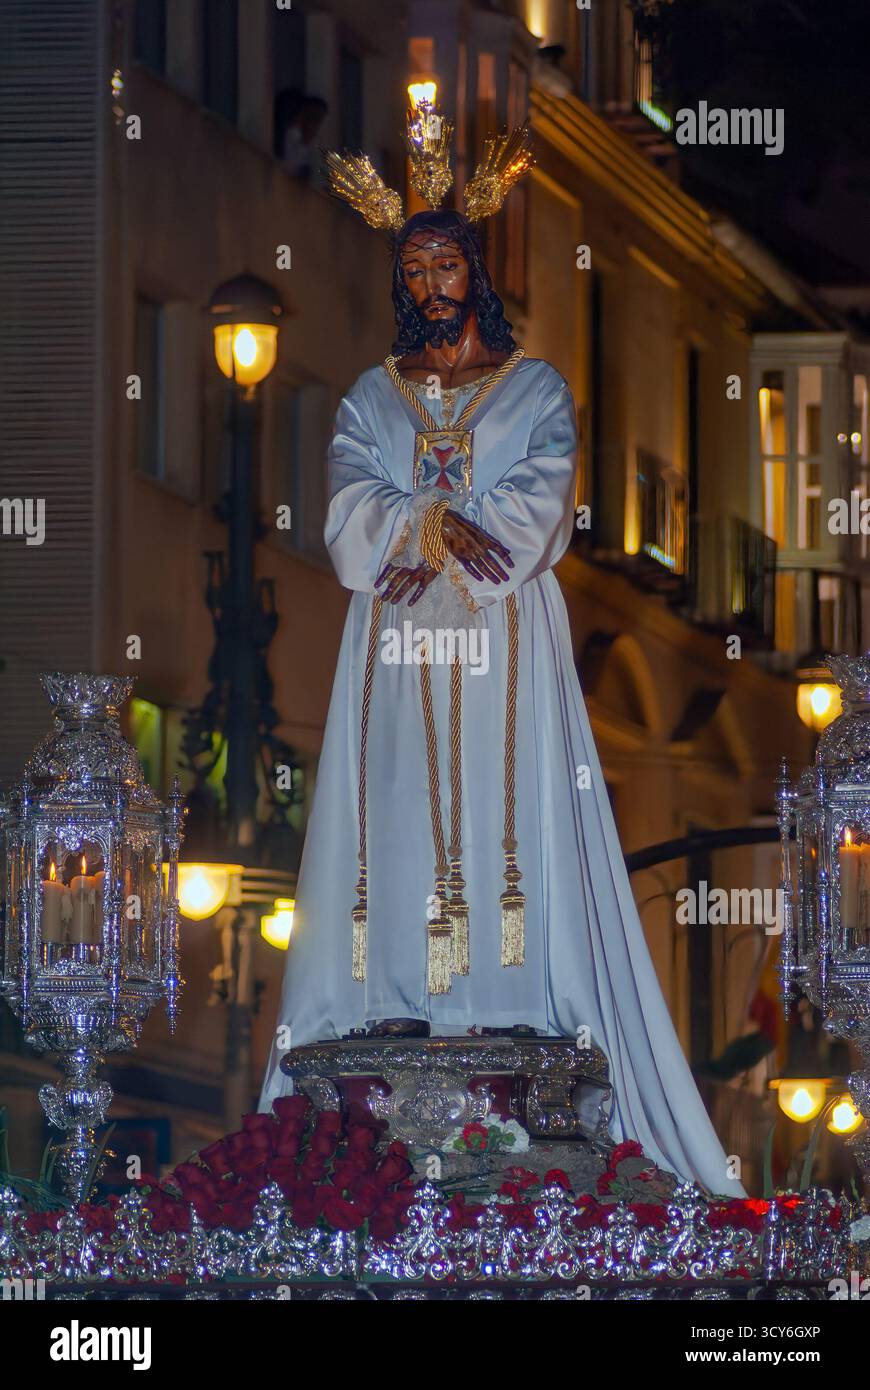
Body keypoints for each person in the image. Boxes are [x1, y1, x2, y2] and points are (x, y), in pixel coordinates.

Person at [260, 114, 742, 1196]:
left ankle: (510, 994)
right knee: (394, 792)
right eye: (415, 265)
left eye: (448, 261)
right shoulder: (368, 399)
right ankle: (395, 987)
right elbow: (349, 510)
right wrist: (428, 524)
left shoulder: (534, 390)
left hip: (499, 629)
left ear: (476, 270)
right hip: (396, 639)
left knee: (504, 799)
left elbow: (539, 500)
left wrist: (452, 528)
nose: (432, 281)